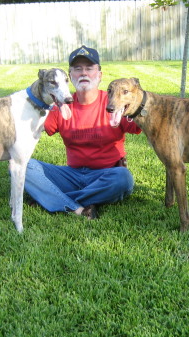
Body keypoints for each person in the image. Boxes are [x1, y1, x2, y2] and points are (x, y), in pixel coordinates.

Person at [24, 45, 141, 219]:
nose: (84, 73)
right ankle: (82, 205)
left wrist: (140, 102)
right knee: (24, 166)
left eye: (89, 68)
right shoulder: (62, 105)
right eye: (78, 69)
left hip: (107, 174)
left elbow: (142, 124)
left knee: (123, 178)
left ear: (99, 75)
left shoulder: (114, 102)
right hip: (72, 175)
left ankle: (55, 199)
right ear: (70, 77)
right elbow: (32, 127)